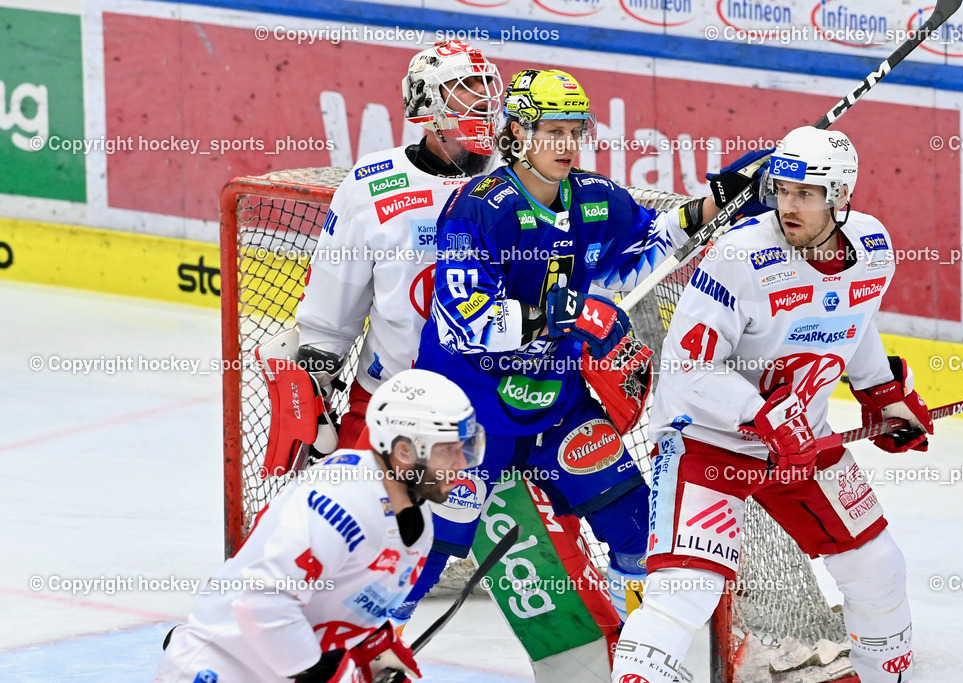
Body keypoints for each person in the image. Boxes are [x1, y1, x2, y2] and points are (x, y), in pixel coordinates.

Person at [404, 68, 754, 677]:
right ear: (516, 132)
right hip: (472, 414)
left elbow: (645, 252)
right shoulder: (479, 210)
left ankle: (634, 659)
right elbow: (465, 319)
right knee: (440, 547)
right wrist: (549, 313)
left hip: (557, 405)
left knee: (638, 533)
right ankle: (361, 645)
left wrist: (715, 203)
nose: (568, 144)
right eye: (553, 131)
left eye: (576, 130)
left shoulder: (595, 197)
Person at [611, 126, 933, 683]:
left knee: (877, 566)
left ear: (840, 196)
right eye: (781, 190)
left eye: (804, 194)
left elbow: (852, 323)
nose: (788, 204)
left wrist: (882, 394)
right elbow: (688, 370)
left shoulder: (873, 247)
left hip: (802, 443)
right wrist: (764, 414)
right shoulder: (741, 255)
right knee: (685, 590)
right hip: (709, 441)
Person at [155, 369, 484, 683]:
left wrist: (376, 653)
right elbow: (263, 601)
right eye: (449, 451)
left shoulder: (418, 523)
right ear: (403, 451)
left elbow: (349, 608)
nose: (462, 464)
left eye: (466, 448)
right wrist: (321, 673)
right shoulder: (339, 499)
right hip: (221, 669)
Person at [263, 39, 501, 472]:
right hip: (389, 403)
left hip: (500, 408)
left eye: (487, 84)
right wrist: (313, 400)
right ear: (429, 101)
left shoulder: (521, 177)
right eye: (467, 85)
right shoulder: (374, 183)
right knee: (349, 530)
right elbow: (331, 314)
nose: (484, 98)